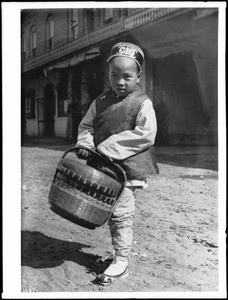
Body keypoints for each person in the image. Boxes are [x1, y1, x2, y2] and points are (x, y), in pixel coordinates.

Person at [75, 42, 159, 285]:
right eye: (114, 75)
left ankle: (122, 261)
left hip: (128, 169)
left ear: (138, 76)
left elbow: (146, 134)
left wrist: (108, 147)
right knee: (109, 212)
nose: (120, 81)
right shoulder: (100, 102)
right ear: (107, 75)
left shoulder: (142, 103)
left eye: (127, 76)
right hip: (104, 168)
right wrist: (86, 144)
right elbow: (87, 126)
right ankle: (116, 252)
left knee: (121, 214)